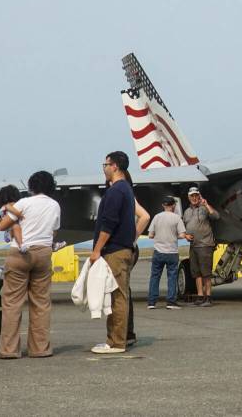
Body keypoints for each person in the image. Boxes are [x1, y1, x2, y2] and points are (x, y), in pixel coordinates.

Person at [0, 171, 61, 359]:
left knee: (12, 303)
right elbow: (54, 231)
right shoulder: (55, 205)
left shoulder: (23, 203)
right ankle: (40, 348)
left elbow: (3, 225)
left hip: (20, 254)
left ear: (31, 186)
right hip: (43, 253)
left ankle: (9, 350)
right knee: (41, 303)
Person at [89, 151, 137, 354]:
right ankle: (115, 339)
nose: (104, 168)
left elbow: (108, 224)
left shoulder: (116, 191)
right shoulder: (126, 189)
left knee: (117, 297)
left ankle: (116, 342)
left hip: (115, 251)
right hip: (122, 248)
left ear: (115, 166)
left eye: (105, 164)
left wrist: (97, 250)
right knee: (118, 296)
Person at [148, 196, 187, 310]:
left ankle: (152, 302)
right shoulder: (177, 218)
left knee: (155, 276)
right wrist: (174, 236)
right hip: (172, 252)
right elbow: (182, 235)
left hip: (158, 251)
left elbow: (150, 235)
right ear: (173, 205)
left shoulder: (157, 217)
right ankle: (170, 301)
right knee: (172, 277)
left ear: (163, 205)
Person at [183, 186, 220, 307]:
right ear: (189, 197)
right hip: (193, 245)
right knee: (196, 273)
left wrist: (207, 205)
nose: (194, 198)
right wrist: (185, 235)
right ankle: (200, 296)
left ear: (199, 196)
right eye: (192, 196)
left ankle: (208, 297)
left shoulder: (204, 208)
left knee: (206, 273)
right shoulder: (187, 212)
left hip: (205, 245)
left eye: (196, 195)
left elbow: (216, 216)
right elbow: (183, 226)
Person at [123, 198, 151, 348]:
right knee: (123, 289)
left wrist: (130, 239)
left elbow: (145, 217)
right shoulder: (124, 195)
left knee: (121, 291)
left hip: (124, 247)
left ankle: (124, 334)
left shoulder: (124, 196)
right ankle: (126, 333)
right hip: (128, 247)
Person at [0, 184, 24, 250]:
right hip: (13, 230)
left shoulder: (2, 209)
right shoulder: (14, 204)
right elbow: (1, 218)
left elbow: (0, 220)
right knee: (15, 227)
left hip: (8, 232)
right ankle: (20, 245)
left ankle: (19, 245)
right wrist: (19, 215)